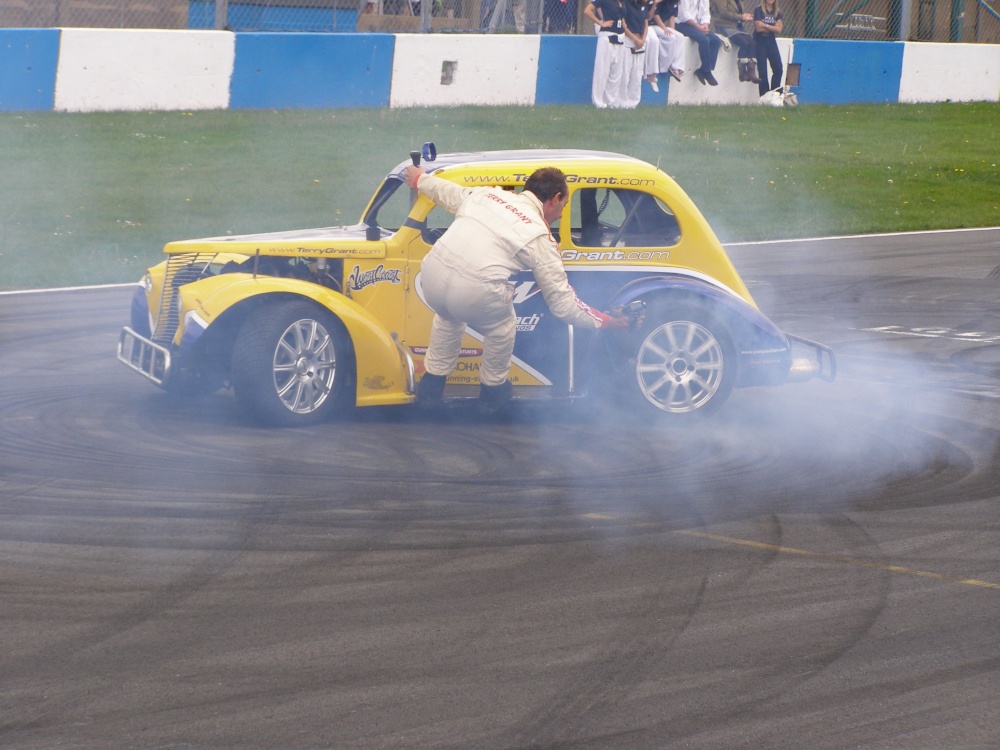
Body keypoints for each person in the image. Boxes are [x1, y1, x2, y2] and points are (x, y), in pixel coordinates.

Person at [402, 164, 630, 411]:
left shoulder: (487, 195)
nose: (563, 215)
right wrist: (605, 321)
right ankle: (493, 394)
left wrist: (419, 178)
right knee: (502, 325)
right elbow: (563, 305)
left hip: (431, 277)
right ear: (554, 199)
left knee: (447, 317)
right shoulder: (538, 236)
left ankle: (430, 391)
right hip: (472, 291)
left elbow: (444, 191)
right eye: (564, 205)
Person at [584, 0, 629, 108]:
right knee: (602, 70)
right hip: (607, 36)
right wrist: (601, 23)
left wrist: (623, 22)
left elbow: (621, 15)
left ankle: (610, 101)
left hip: (620, 37)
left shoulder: (622, 2)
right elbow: (587, 11)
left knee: (616, 71)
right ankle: (598, 100)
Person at [674, 0, 722, 86]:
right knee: (704, 40)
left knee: (716, 40)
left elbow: (705, 13)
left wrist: (705, 25)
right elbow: (684, 16)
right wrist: (698, 28)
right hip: (682, 24)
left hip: (697, 25)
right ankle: (707, 71)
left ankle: (704, 69)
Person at [711, 0, 759, 83]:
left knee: (753, 43)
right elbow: (724, 13)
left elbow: (739, 14)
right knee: (744, 43)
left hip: (738, 27)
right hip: (724, 26)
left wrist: (746, 17)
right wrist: (741, 17)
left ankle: (751, 72)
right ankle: (742, 72)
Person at [621, 0, 654, 106]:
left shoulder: (642, 6)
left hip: (640, 41)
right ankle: (622, 101)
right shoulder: (626, 4)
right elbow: (623, 25)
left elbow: (646, 23)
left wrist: (643, 39)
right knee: (626, 72)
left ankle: (633, 102)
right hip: (629, 40)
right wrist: (635, 39)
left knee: (637, 73)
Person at [649, 0, 686, 82]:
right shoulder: (661, 2)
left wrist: (672, 31)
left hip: (662, 26)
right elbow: (655, 15)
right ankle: (664, 67)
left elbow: (671, 18)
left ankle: (676, 66)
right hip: (653, 25)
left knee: (680, 37)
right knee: (670, 38)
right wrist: (664, 28)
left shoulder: (675, 2)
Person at [754, 0, 784, 96]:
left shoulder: (778, 12)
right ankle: (764, 96)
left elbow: (778, 29)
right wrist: (772, 27)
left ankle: (775, 94)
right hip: (760, 41)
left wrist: (765, 25)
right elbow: (758, 28)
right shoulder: (758, 10)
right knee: (762, 71)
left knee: (778, 68)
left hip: (771, 41)